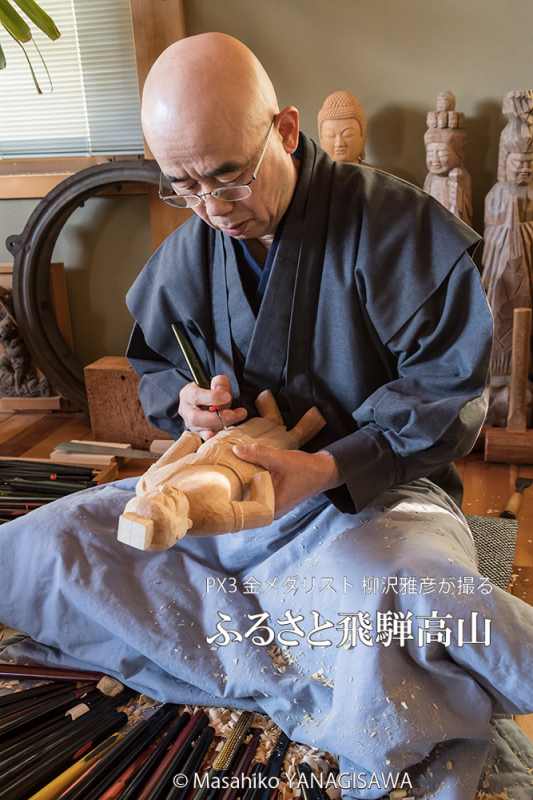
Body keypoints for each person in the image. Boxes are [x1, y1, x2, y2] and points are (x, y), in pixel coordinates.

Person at [1, 32, 533, 800]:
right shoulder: (193, 244)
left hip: (369, 507)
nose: (212, 209)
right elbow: (155, 363)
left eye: (228, 179)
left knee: (408, 594)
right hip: (224, 508)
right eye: (182, 187)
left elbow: (448, 394)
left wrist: (322, 468)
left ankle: (252, 651)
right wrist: (182, 401)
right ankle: (293, 658)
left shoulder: (396, 227)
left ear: (284, 130)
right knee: (45, 546)